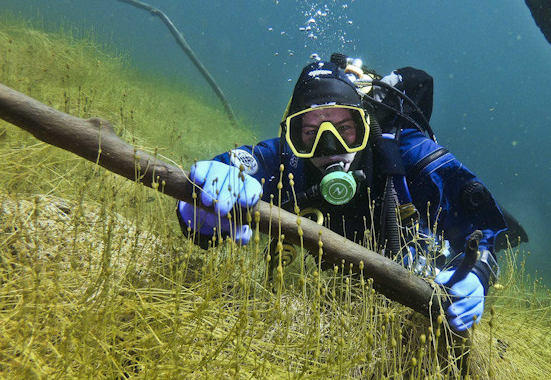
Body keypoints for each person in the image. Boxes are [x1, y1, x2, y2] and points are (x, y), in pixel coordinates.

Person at [177, 55, 522, 332]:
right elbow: (241, 167)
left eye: (345, 129)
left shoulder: (403, 153)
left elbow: (478, 227)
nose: (330, 147)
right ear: (293, 136)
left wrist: (476, 272)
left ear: (366, 125)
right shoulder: (285, 159)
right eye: (311, 132)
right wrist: (202, 206)